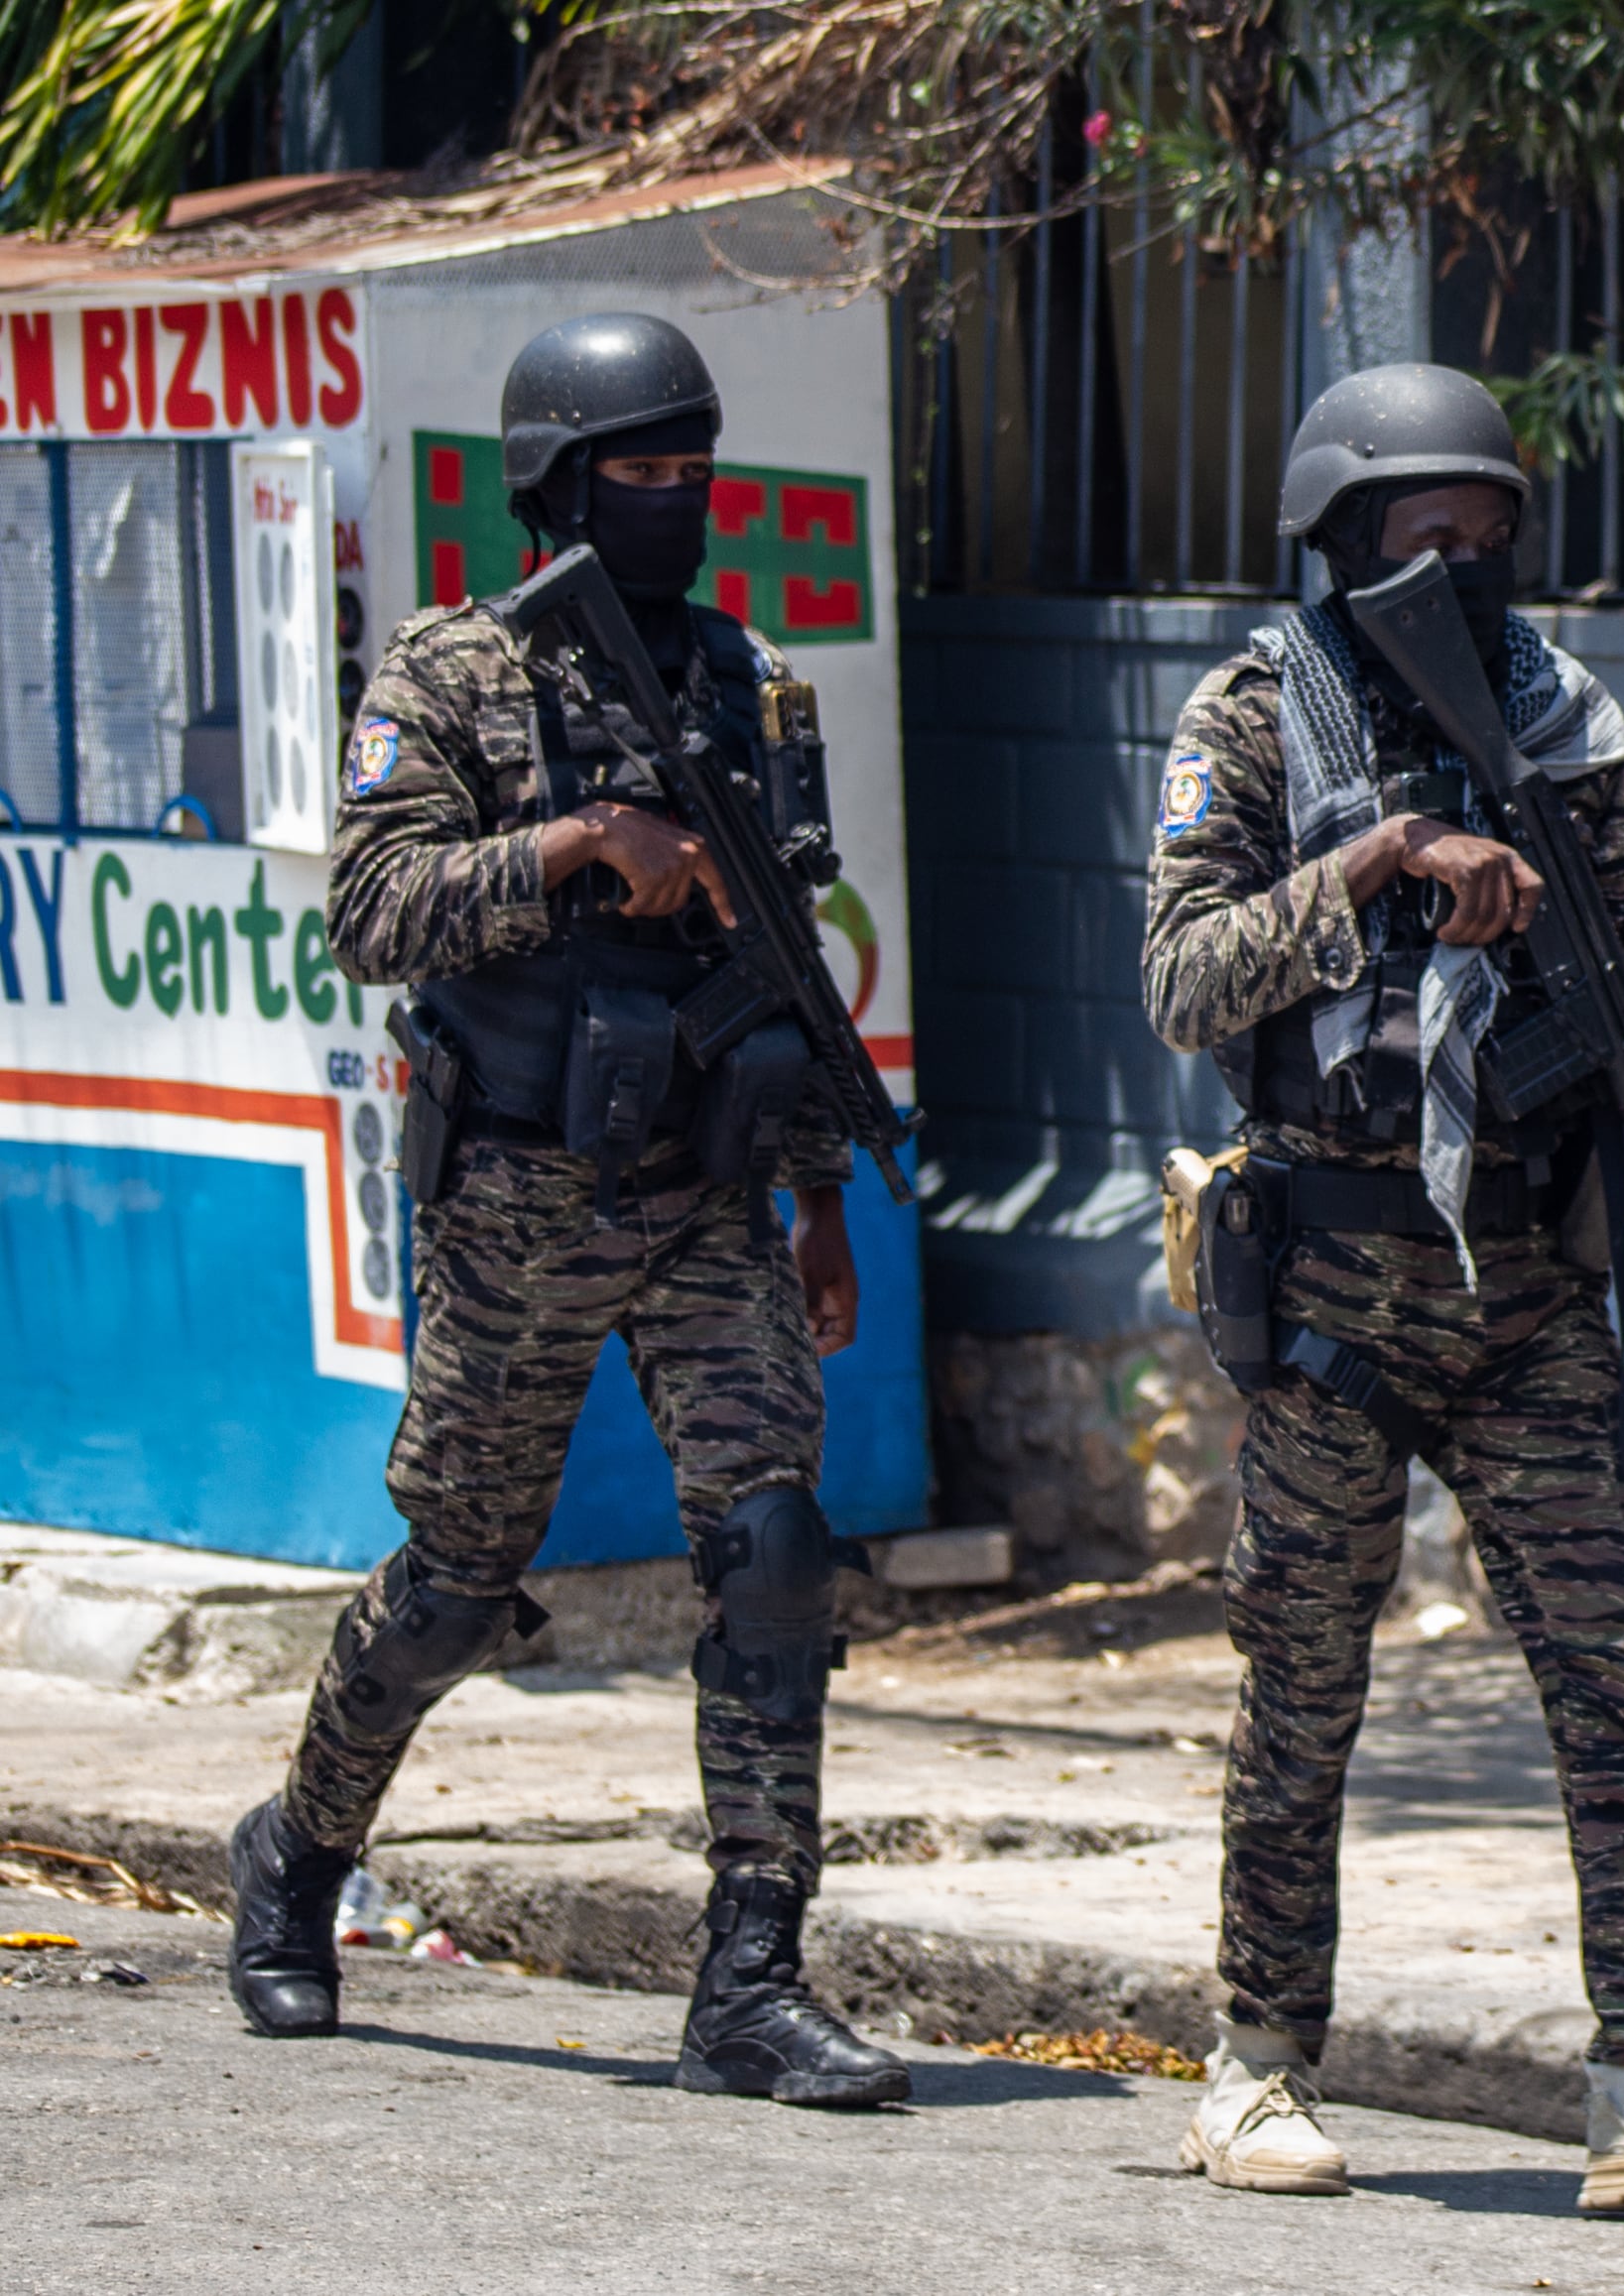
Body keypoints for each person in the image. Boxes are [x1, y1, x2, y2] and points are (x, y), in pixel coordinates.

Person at [224, 311, 909, 2110]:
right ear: (557, 482)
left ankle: (750, 1980)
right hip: (517, 1196)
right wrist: (580, 846)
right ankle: (296, 1851)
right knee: (459, 1585)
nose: (678, 499)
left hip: (707, 1193)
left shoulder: (750, 680)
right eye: (642, 472)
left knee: (774, 1550)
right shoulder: (451, 673)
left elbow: (786, 967)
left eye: (696, 471)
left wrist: (821, 1199)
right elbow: (369, 910)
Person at [1141, 362, 1624, 2214]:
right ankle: (1257, 2065)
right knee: (1303, 1685)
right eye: (1433, 536)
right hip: (1334, 1280)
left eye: (1495, 531)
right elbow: (1184, 982)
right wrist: (1379, 862)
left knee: (1618, 1669)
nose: (1472, 563)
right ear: (1345, 542)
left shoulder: (1560, 717)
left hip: (1529, 1286)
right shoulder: (1254, 717)